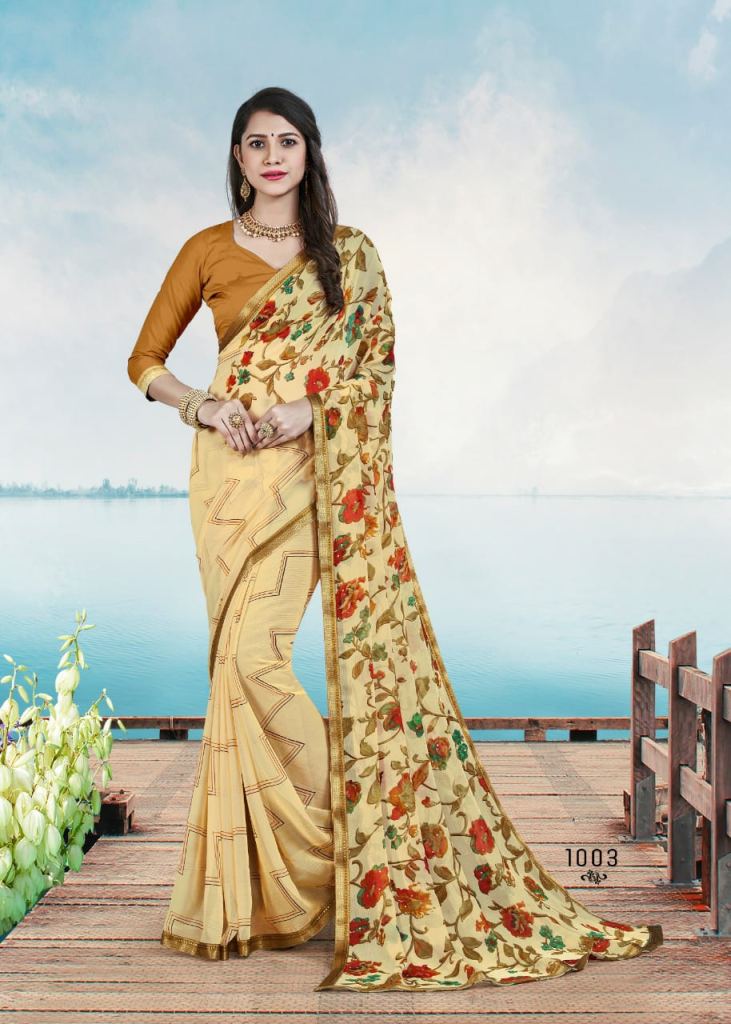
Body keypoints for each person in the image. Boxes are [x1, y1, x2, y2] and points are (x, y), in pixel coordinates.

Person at [127, 86, 663, 992]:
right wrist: (204, 406)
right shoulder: (205, 250)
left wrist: (309, 410)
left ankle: (353, 819)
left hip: (315, 479)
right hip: (226, 484)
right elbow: (144, 361)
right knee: (235, 668)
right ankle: (302, 871)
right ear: (236, 158)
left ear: (308, 153)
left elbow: (374, 371)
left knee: (254, 661)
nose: (270, 156)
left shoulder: (350, 256)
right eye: (254, 143)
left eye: (286, 141)